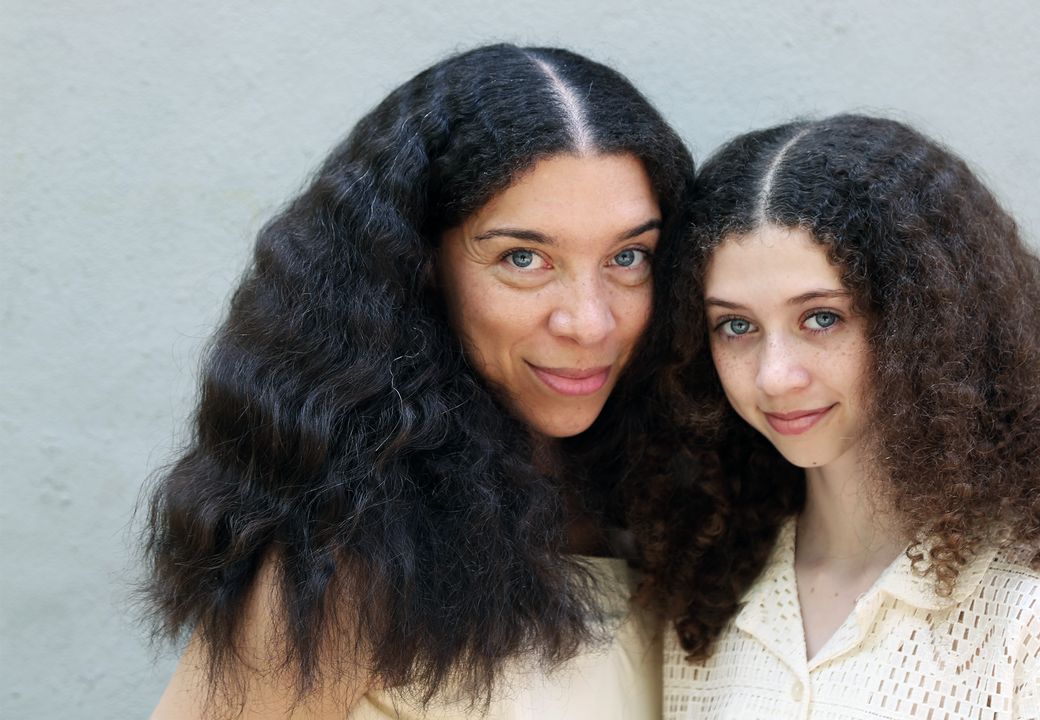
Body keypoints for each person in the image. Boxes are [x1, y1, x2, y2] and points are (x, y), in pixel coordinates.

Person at [143, 43, 692, 719]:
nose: (590, 321)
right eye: (524, 258)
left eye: (628, 256)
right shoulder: (349, 563)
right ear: (420, 264)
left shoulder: (665, 511)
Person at [638, 114, 1040, 719]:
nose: (773, 375)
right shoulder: (702, 603)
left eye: (821, 318)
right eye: (736, 326)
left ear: (922, 330)